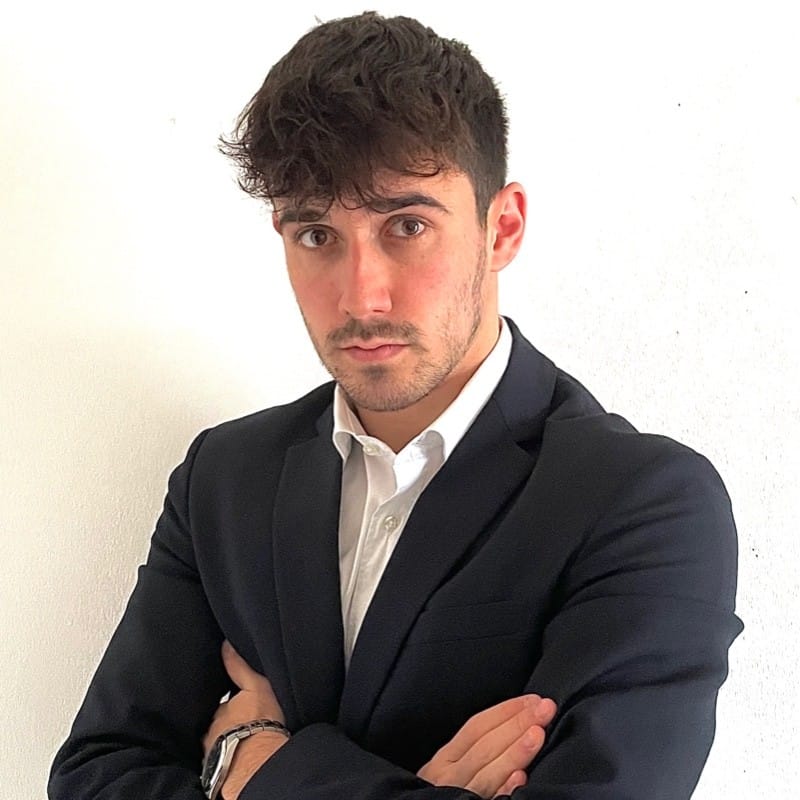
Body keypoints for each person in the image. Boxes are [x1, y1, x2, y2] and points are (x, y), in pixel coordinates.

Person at [48, 11, 742, 800]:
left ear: (502, 227)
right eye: (317, 235)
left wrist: (253, 766)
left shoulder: (643, 502)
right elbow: (93, 779)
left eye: (406, 225)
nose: (361, 296)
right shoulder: (225, 479)